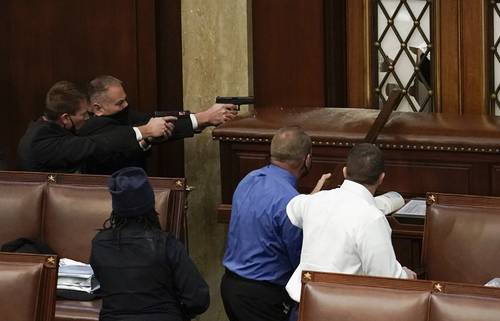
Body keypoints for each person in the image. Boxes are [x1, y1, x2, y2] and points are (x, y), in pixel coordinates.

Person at [285, 143, 417, 305]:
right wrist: (406, 275)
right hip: (340, 310)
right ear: (381, 178)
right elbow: (387, 279)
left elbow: (291, 208)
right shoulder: (372, 219)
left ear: (344, 172)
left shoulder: (313, 202)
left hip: (301, 306)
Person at [221, 126, 329, 321]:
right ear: (307, 160)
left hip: (230, 287)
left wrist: (307, 203)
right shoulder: (290, 202)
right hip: (264, 298)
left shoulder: (248, 180)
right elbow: (300, 259)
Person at [90, 167, 209, 321]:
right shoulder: (168, 245)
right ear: (151, 205)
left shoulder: (99, 245)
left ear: (115, 209)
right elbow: (198, 299)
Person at [80, 75, 238, 174]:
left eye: (125, 99)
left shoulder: (122, 115)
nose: (126, 105)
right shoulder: (94, 129)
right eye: (120, 103)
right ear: (97, 109)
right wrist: (204, 117)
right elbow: (130, 139)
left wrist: (203, 117)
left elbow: (153, 121)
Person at [17, 81, 172, 172]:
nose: (88, 118)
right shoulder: (41, 141)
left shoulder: (47, 129)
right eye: (84, 114)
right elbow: (95, 146)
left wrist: (144, 141)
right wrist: (145, 130)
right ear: (65, 118)